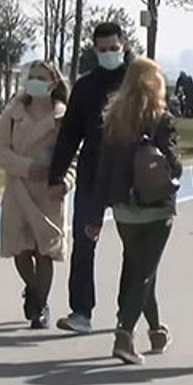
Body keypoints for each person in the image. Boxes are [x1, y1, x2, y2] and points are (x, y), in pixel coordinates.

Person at [89, 57, 180, 365]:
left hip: (124, 209)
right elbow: (173, 163)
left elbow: (102, 170)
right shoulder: (161, 118)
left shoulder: (114, 118)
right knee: (143, 272)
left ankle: (156, 330)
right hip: (156, 207)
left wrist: (95, 214)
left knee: (141, 268)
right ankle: (123, 335)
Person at [48, 21, 131, 334]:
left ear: (123, 45)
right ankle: (81, 310)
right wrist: (57, 173)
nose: (109, 53)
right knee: (84, 245)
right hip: (93, 175)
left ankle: (131, 313)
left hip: (129, 175)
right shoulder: (85, 87)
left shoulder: (137, 81)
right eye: (103, 49)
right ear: (95, 50)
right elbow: (70, 134)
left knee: (135, 249)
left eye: (113, 48)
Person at [0, 61, 70, 330]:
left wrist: (65, 182)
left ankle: (41, 305)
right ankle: (33, 288)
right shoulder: (13, 114)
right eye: (32, 76)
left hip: (49, 192)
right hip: (18, 189)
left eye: (42, 77)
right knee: (21, 248)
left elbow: (73, 156)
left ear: (54, 82)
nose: (35, 81)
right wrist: (26, 167)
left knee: (45, 250)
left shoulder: (63, 116)